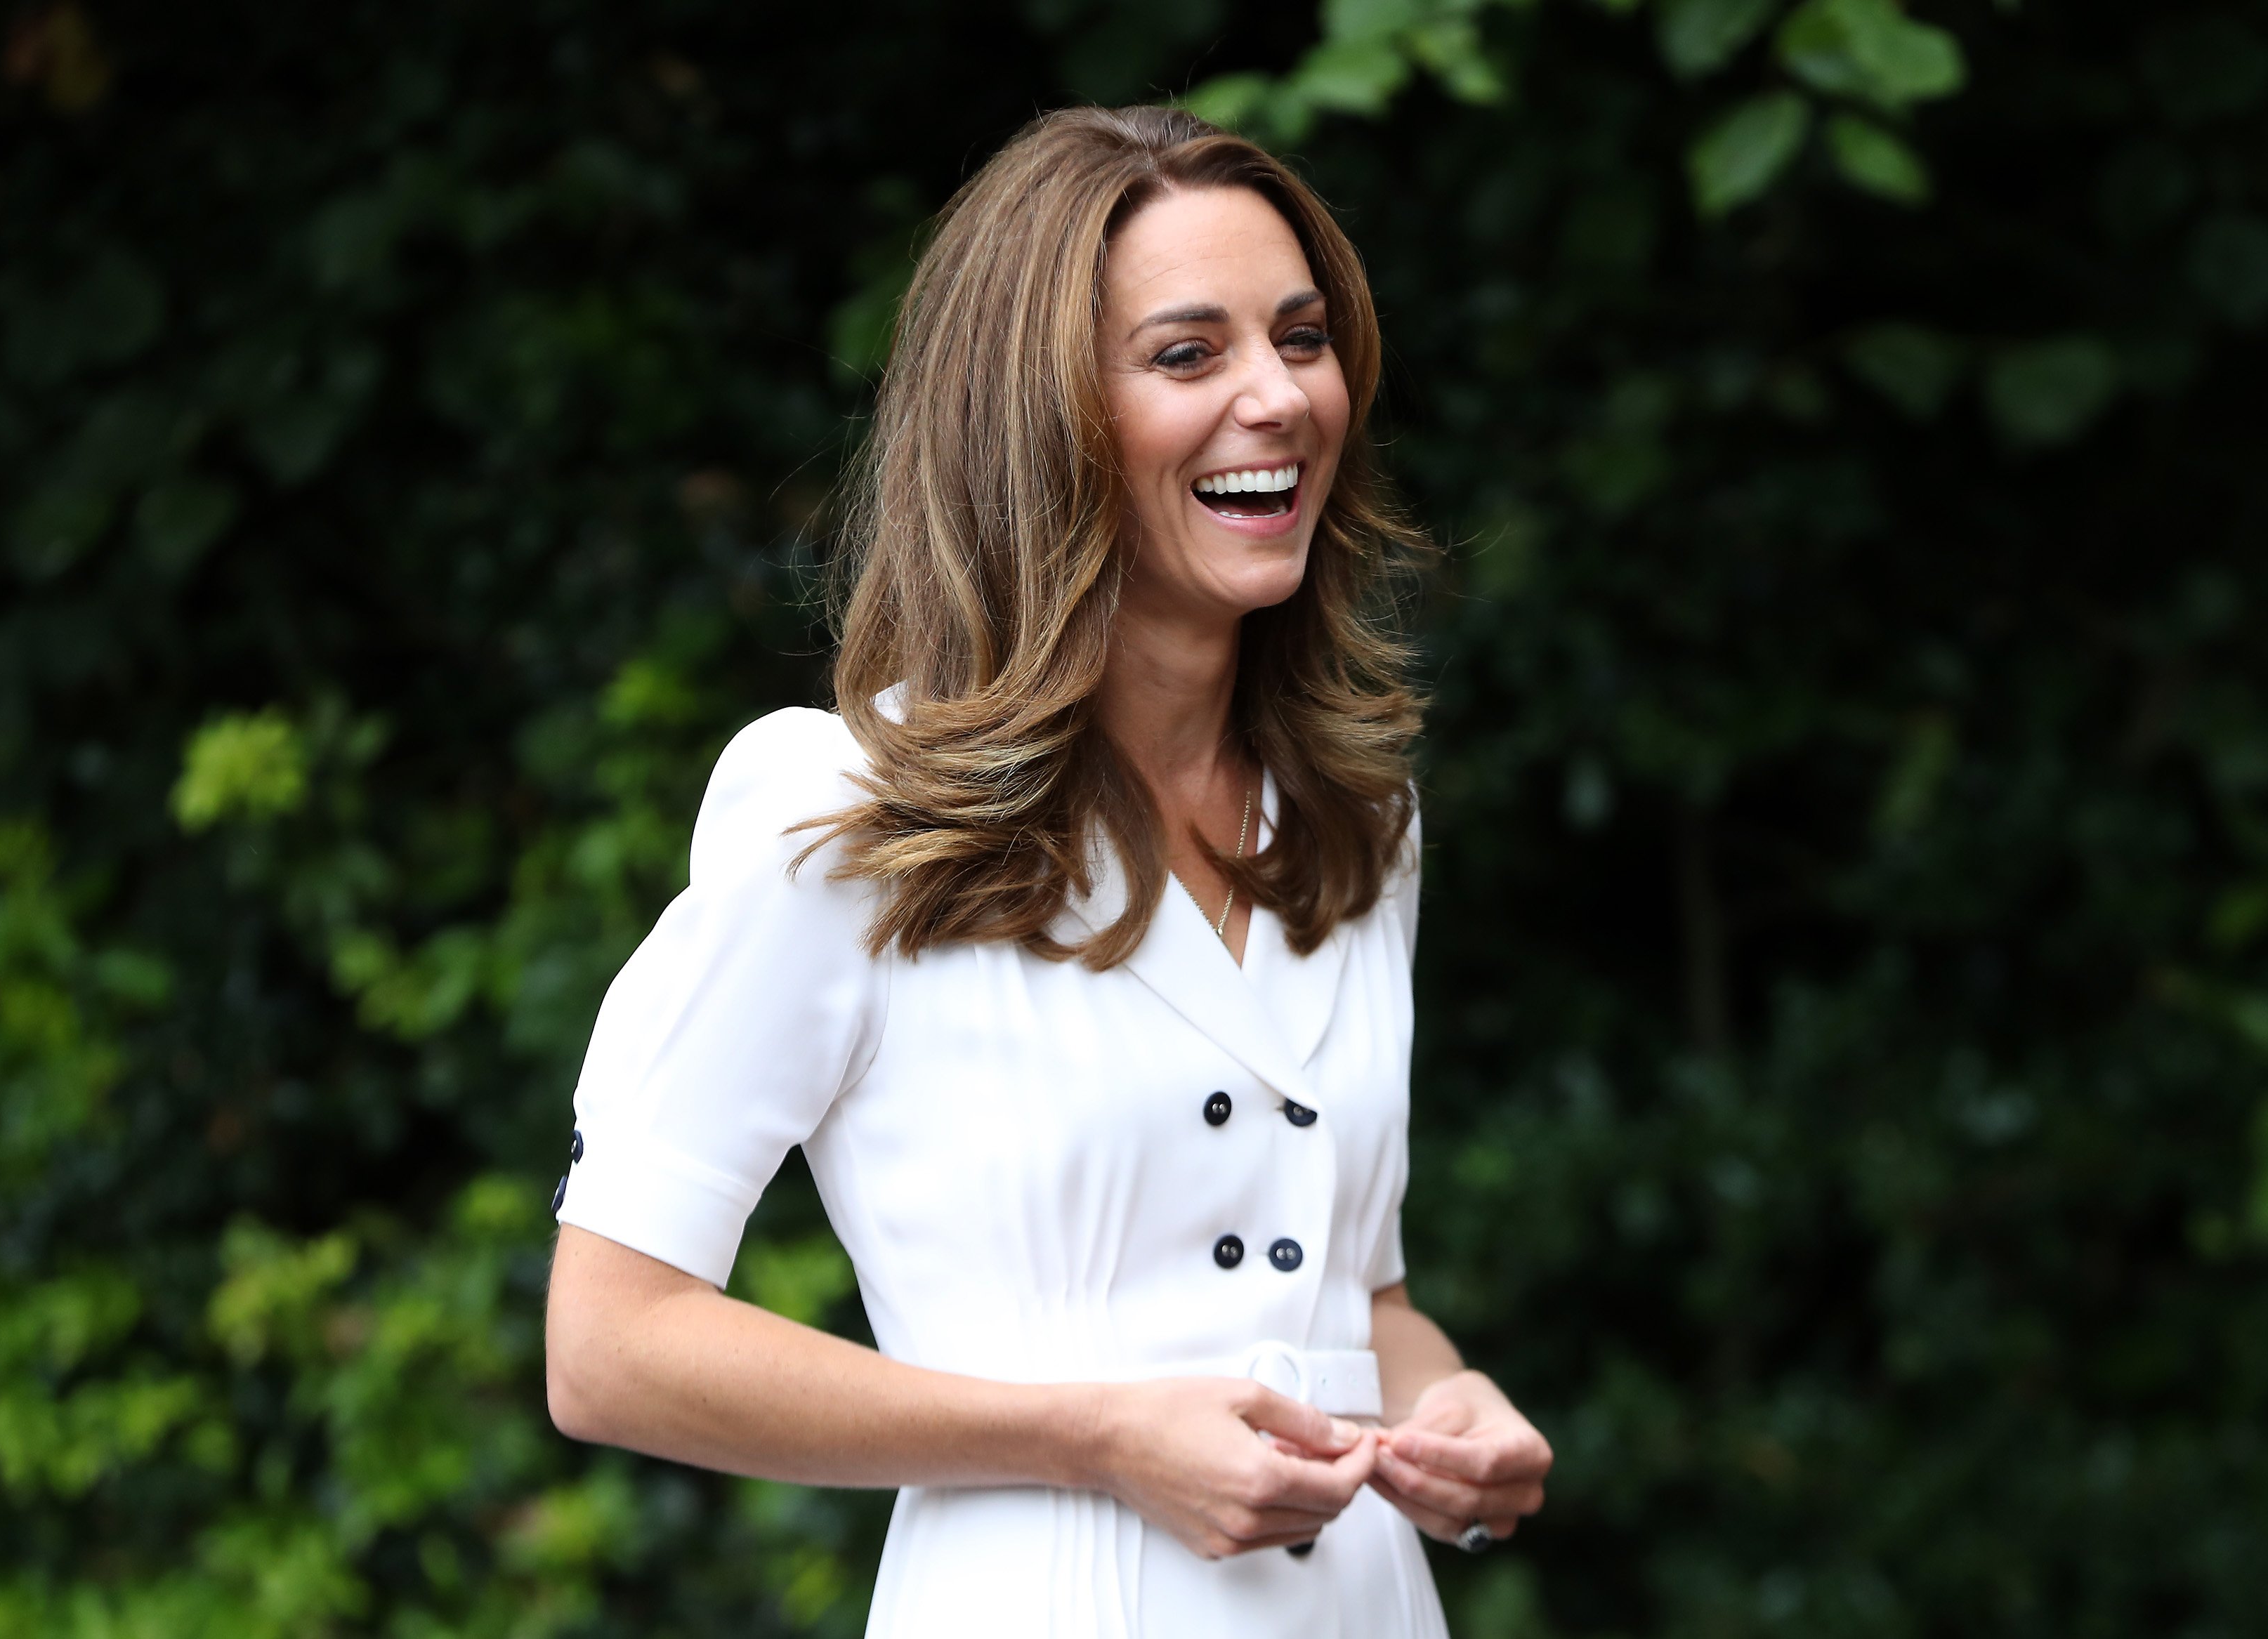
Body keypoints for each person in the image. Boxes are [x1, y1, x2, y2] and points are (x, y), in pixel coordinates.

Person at [542, 104, 1552, 1638]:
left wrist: (1451, 1400)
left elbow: (1357, 1299)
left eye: (1300, 337)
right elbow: (609, 1349)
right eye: (1187, 354)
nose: (1277, 397)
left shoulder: (1355, 823)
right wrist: (1089, 1435)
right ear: (1040, 416)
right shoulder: (844, 818)